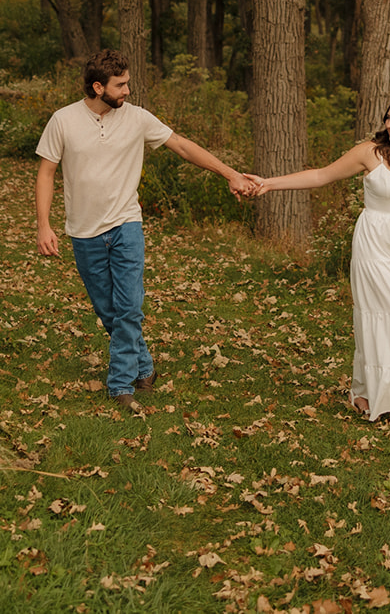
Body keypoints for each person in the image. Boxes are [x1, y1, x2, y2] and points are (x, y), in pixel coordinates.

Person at [36, 49, 254, 416]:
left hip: (126, 224)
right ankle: (146, 366)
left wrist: (230, 173)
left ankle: (120, 384)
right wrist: (44, 225)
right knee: (109, 312)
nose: (127, 91)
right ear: (97, 86)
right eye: (121, 85)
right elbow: (46, 172)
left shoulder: (137, 119)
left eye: (128, 83)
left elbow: (183, 146)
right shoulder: (63, 121)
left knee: (129, 308)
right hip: (84, 232)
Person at [246, 95, 390, 439]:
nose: (389, 125)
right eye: (388, 117)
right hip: (374, 244)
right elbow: (320, 176)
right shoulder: (370, 153)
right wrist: (269, 183)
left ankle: (363, 392)